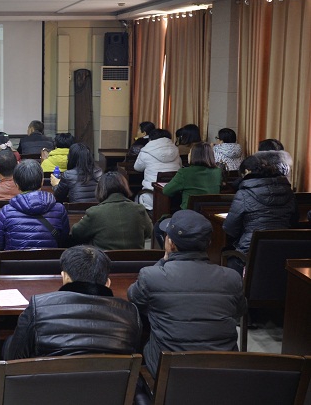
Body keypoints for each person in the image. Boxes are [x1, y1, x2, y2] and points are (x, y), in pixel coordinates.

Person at [127, 210, 247, 378]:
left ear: (171, 243)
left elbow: (133, 297)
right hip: (223, 370)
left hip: (170, 372)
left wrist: (163, 261)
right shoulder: (232, 278)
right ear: (208, 243)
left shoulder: (152, 276)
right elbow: (239, 311)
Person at [3, 245, 141, 360]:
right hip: (109, 385)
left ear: (65, 278)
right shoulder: (131, 313)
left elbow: (14, 360)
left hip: (48, 385)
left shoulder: (38, 307)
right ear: (107, 283)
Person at [222, 154, 295, 274]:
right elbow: (294, 220)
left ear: (246, 172)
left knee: (230, 258)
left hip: (250, 250)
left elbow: (229, 228)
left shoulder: (244, 194)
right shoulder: (288, 191)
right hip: (284, 249)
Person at [0, 160, 69, 250]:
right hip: (50, 259)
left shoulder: (6, 212)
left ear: (16, 184)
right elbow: (63, 241)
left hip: (15, 259)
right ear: (42, 181)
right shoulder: (60, 210)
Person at [70, 172, 152, 250]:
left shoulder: (95, 212)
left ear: (100, 189)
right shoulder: (139, 209)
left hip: (104, 259)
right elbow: (149, 233)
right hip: (136, 259)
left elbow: (76, 233)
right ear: (125, 187)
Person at [161, 142, 222, 210]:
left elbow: (167, 191)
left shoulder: (185, 172)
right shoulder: (218, 172)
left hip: (189, 213)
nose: (188, 154)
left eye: (190, 152)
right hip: (210, 212)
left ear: (194, 156)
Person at [133, 129, 182, 211]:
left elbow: (137, 168)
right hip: (174, 198)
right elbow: (180, 167)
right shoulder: (176, 151)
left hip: (151, 197)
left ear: (150, 138)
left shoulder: (146, 151)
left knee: (136, 199)